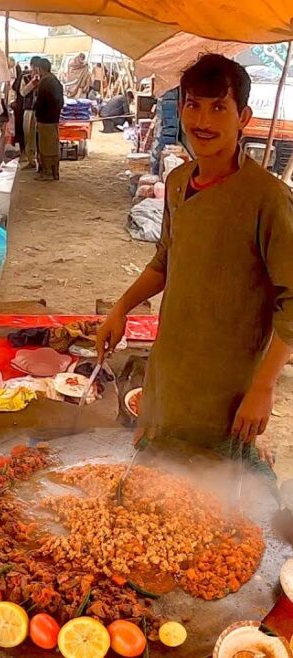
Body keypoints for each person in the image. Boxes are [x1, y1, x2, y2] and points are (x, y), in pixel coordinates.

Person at [96, 54, 293, 462]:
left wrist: (263, 386)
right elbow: (165, 260)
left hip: (227, 384)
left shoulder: (268, 198)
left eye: (218, 107)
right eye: (193, 105)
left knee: (207, 498)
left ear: (244, 117)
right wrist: (121, 308)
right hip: (170, 365)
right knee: (152, 482)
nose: (202, 120)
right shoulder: (178, 182)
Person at [32, 57, 64, 181]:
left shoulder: (45, 82)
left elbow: (40, 102)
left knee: (46, 146)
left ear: (40, 69)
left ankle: (47, 172)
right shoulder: (55, 80)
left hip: (45, 118)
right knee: (53, 145)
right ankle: (55, 171)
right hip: (54, 117)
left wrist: (36, 109)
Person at [19, 57, 43, 169]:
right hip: (29, 110)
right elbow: (22, 93)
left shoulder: (45, 78)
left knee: (39, 136)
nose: (36, 70)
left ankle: (40, 160)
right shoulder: (25, 78)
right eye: (35, 67)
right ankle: (31, 159)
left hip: (40, 110)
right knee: (28, 134)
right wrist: (32, 83)